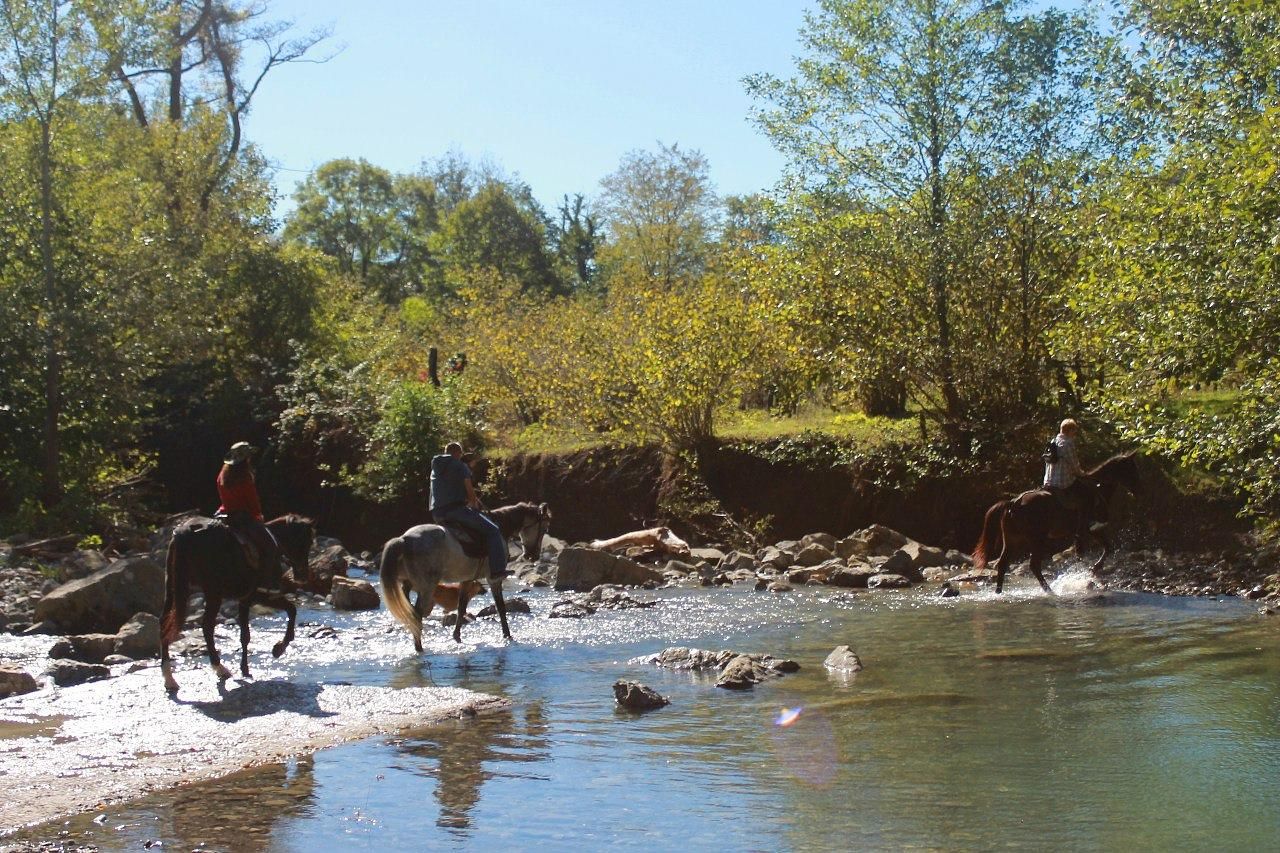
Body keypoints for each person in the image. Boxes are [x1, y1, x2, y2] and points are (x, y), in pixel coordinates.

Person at [430, 442, 508, 580]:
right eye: (460, 454)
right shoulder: (460, 466)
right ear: (458, 453)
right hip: (456, 511)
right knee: (493, 531)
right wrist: (474, 504)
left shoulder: (435, 467)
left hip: (437, 512)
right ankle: (497, 571)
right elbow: (469, 490)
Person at [216, 441, 283, 586]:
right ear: (246, 459)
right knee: (271, 547)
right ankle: (265, 584)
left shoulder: (222, 475)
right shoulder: (245, 477)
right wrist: (258, 516)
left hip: (224, 514)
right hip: (243, 518)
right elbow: (253, 502)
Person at [1042, 419, 1100, 533]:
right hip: (1063, 483)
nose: (1075, 434)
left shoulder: (1053, 441)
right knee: (1089, 492)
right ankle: (1090, 522)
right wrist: (1083, 474)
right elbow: (1075, 466)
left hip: (1048, 482)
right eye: (1074, 431)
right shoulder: (1067, 444)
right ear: (1070, 430)